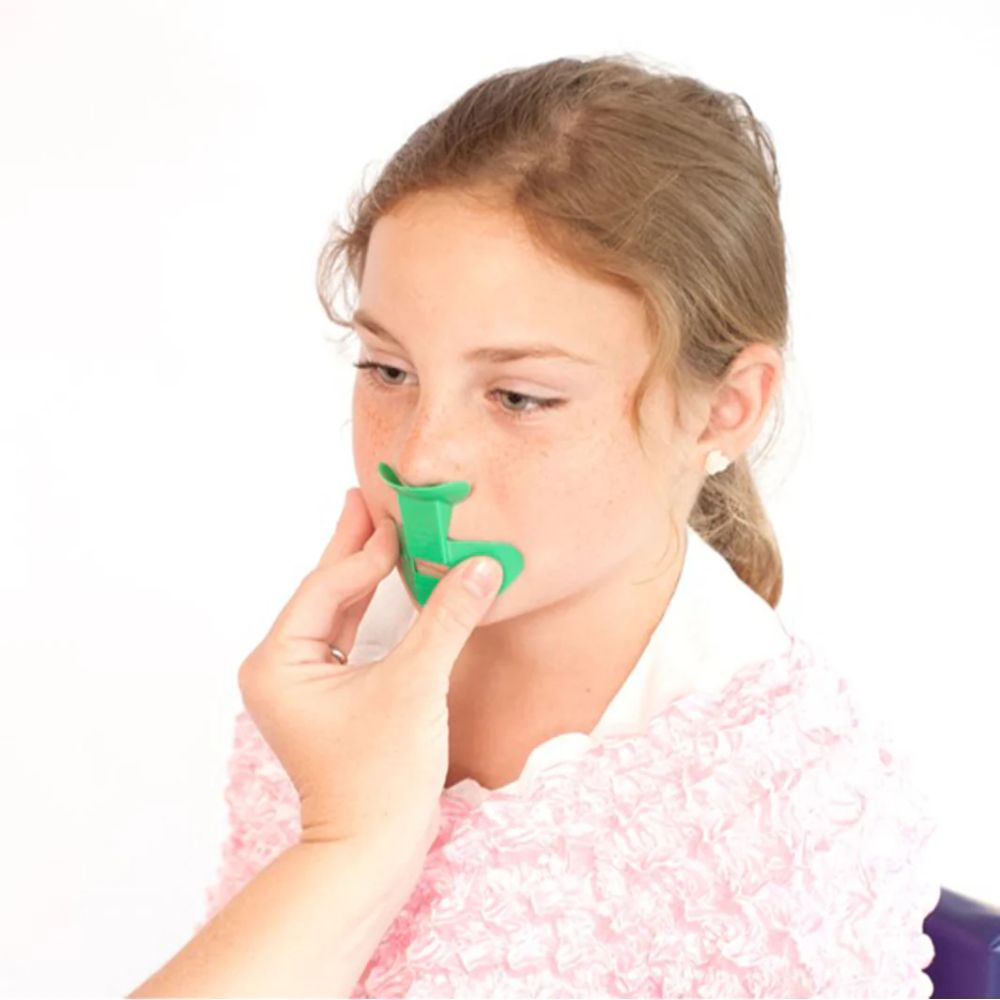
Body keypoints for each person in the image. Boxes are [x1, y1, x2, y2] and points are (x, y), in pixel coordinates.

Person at [130, 53, 942, 998]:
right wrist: (345, 844)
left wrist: (347, 845)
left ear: (724, 410)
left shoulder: (789, 820)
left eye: (518, 396)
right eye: (389, 371)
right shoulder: (331, 675)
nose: (420, 461)